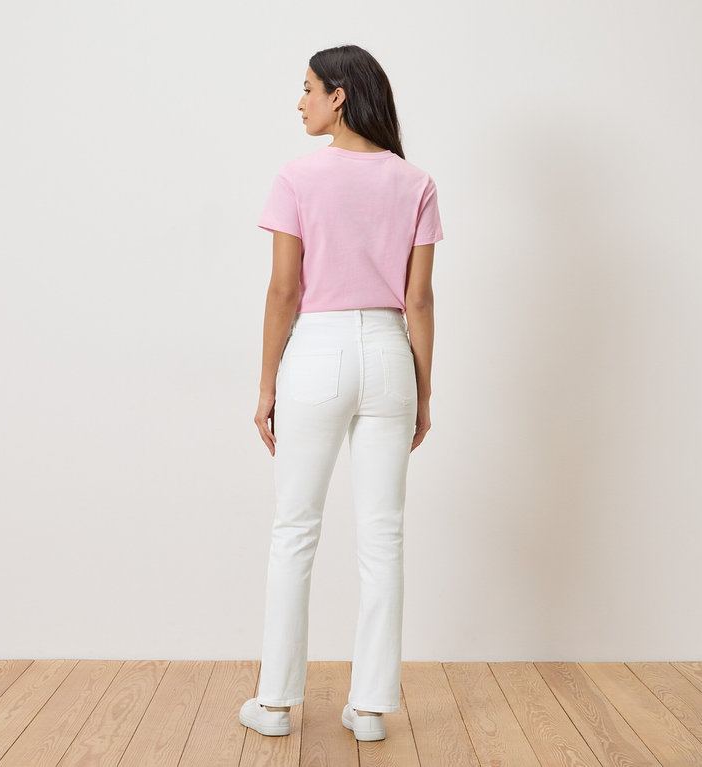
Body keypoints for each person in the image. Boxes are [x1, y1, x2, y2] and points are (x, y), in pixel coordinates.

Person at [238, 44, 443, 743]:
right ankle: (370, 708)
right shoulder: (415, 182)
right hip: (389, 354)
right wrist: (421, 387)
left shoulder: (298, 177)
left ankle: (273, 703)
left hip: (318, 353)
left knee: (295, 529)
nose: (299, 102)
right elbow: (418, 299)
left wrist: (266, 385)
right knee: (382, 535)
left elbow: (284, 290)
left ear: (340, 97)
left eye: (307, 89)